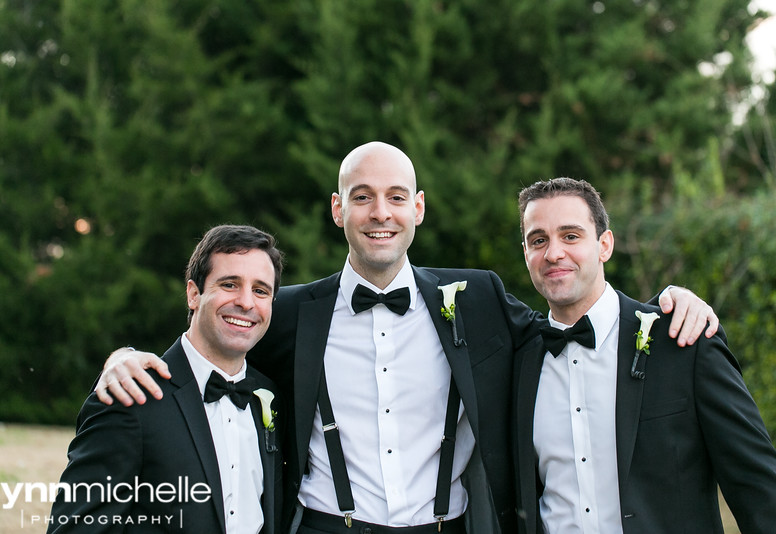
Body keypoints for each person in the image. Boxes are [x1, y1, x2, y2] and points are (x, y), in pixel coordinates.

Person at [95, 142, 717, 534]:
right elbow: (217, 332)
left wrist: (663, 309)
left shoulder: (476, 301)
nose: (380, 212)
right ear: (338, 210)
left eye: (396, 197)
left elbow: (572, 327)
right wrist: (125, 358)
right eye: (361, 197)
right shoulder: (288, 312)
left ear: (418, 208)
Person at [512, 177, 776, 534]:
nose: (554, 252)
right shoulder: (517, 361)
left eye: (571, 236)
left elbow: (758, 486)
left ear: (605, 244)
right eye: (538, 240)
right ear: (526, 253)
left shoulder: (683, 340)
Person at [47, 225, 284, 534]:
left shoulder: (271, 394)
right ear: (193, 294)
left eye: (261, 290)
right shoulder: (132, 394)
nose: (246, 302)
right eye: (229, 284)